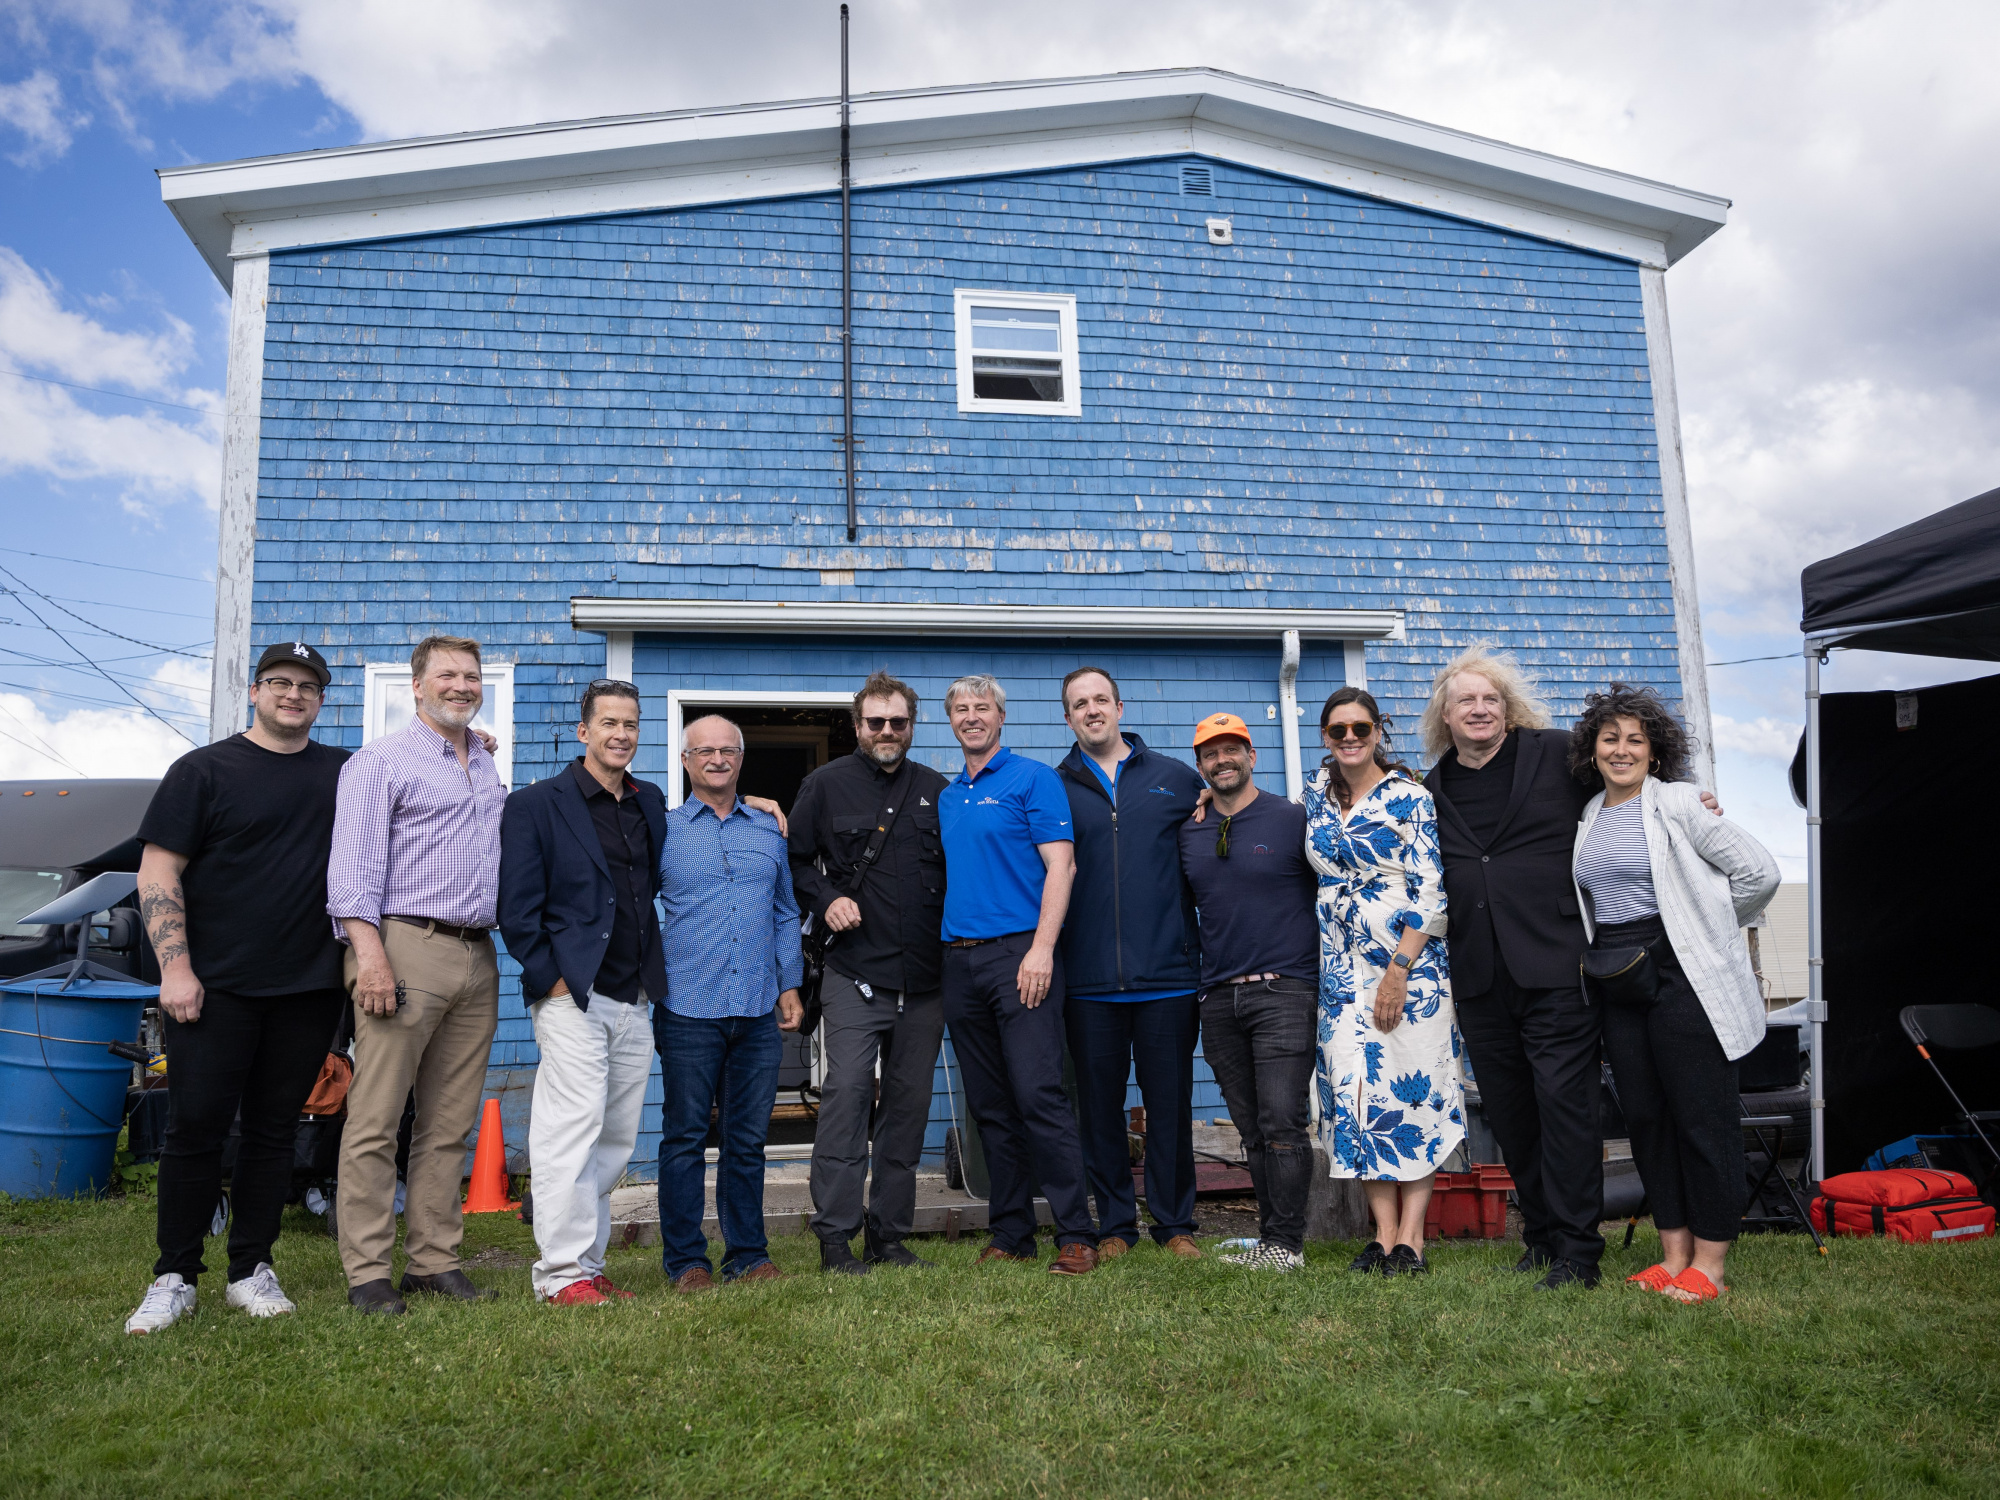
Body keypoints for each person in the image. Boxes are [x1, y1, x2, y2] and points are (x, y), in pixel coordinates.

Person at [123, 642, 349, 1333]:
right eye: (281, 681)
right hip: (213, 986)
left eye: (308, 685)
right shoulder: (204, 771)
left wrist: (472, 739)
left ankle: (251, 1268)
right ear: (255, 691)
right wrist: (176, 968)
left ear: (319, 699)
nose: (294, 694)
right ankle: (174, 1275)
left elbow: (418, 776)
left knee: (275, 1132)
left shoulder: (347, 772)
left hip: (307, 987)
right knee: (196, 1130)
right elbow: (157, 872)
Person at [1569, 684, 1778, 1303]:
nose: (1623, 749)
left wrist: (1708, 926)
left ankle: (1710, 1266)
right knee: (1649, 1120)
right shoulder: (1589, 815)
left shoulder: (1682, 804)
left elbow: (1759, 873)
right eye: (1611, 738)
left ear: (1655, 752)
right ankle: (1673, 1255)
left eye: (1636, 739)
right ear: (1594, 749)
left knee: (1701, 1118)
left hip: (1684, 976)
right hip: (1619, 976)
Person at [327, 634, 507, 1315]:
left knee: (449, 1122)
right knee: (376, 1119)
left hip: (476, 953)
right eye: (447, 676)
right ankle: (368, 1272)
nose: (461, 685)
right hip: (403, 945)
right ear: (417, 686)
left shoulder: (482, 762)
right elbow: (349, 875)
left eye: (471, 676)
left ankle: (433, 1261)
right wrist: (369, 958)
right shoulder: (380, 763)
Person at [498, 679, 666, 1306]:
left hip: (634, 994)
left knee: (616, 1137)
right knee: (571, 1130)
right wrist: (555, 980)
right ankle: (560, 1274)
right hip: (573, 995)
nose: (620, 734)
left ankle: (589, 1267)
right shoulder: (537, 805)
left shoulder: (647, 803)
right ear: (583, 731)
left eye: (630, 724)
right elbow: (516, 910)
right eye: (609, 723)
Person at [788, 670, 949, 1275]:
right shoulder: (824, 785)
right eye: (875, 721)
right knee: (847, 1102)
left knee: (906, 1113)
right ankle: (835, 1239)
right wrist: (825, 897)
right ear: (857, 726)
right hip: (854, 975)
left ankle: (889, 1236)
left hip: (926, 983)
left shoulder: (939, 789)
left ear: (912, 725)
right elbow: (795, 862)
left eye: (898, 722)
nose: (887, 730)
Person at [935, 674, 1094, 1275]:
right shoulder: (949, 796)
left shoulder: (1033, 779)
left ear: (1001, 717)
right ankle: (1012, 1232)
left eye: (982, 707)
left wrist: (1042, 949)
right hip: (960, 961)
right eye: (961, 709)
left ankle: (1075, 1232)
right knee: (990, 1105)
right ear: (951, 722)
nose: (972, 717)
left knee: (1039, 1095)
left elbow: (1063, 867)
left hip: (1020, 957)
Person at [1303, 688, 1461, 1277]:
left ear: (1377, 732)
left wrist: (1398, 971)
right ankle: (1382, 1234)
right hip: (1340, 974)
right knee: (1355, 1094)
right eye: (1338, 730)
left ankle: (1412, 1241)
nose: (1349, 738)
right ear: (1325, 737)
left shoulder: (1409, 797)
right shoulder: (1313, 798)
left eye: (1360, 729)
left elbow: (1431, 891)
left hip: (1408, 970)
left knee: (1411, 1090)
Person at [1055, 667, 1205, 1261]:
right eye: (1078, 704)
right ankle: (1116, 1224)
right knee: (1099, 1111)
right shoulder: (1053, 788)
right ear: (1067, 718)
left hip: (1166, 976)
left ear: (1120, 706)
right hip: (1088, 981)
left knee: (1170, 1106)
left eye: (1100, 700)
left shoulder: (1175, 779)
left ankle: (1175, 1226)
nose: (1091, 710)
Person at [655, 714, 805, 1290]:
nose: (717, 759)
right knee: (685, 1137)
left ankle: (747, 1252)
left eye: (728, 750)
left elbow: (785, 910)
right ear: (687, 760)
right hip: (688, 1007)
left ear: (741, 759)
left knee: (747, 1141)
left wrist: (788, 984)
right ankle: (687, 1261)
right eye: (704, 751)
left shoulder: (768, 826)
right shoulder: (662, 828)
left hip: (758, 1008)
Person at [1177, 712, 1320, 1272]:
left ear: (1252, 755)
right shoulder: (1189, 828)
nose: (1222, 760)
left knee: (1283, 1119)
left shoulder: (1293, 819)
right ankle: (1270, 1238)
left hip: (1285, 990)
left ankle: (1288, 1245)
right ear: (1201, 766)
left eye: (1232, 749)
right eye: (1211, 754)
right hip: (1217, 997)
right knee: (1252, 1127)